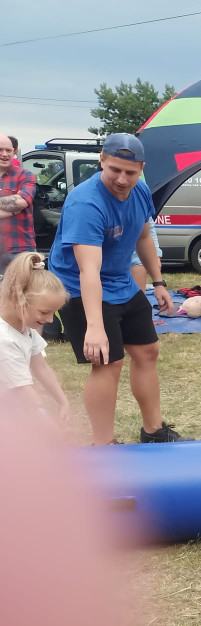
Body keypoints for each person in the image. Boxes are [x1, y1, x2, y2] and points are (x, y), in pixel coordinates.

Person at [47, 133, 190, 445]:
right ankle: (103, 445)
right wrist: (95, 327)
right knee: (107, 362)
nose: (122, 179)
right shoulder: (86, 203)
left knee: (147, 351)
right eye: (114, 170)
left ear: (141, 168)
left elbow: (142, 236)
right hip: (79, 285)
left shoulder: (140, 190)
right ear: (101, 161)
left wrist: (159, 281)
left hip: (119, 280)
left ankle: (153, 431)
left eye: (130, 172)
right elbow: (88, 270)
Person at [0, 252, 70, 425]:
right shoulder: (5, 339)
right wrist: (47, 426)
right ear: (19, 299)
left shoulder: (25, 328)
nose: (50, 320)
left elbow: (41, 367)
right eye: (44, 312)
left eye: (54, 312)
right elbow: (23, 392)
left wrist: (62, 401)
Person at [0, 134, 35, 275]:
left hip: (20, 250)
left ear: (15, 152)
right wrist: (12, 207)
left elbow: (22, 201)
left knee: (23, 295)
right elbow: (16, 204)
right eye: (0, 150)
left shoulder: (26, 175)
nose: (4, 154)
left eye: (8, 150)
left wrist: (18, 205)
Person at [130, 217, 162, 291]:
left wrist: (156, 256)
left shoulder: (142, 208)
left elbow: (147, 235)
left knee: (137, 295)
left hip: (135, 259)